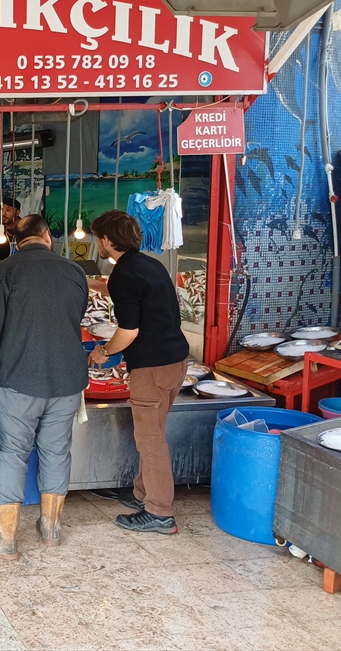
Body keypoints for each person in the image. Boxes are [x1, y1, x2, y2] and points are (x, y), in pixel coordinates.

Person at [0, 214, 89, 560]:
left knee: (12, 454)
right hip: (67, 381)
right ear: (47, 236)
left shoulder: (4, 272)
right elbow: (76, 316)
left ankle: (5, 539)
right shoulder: (75, 271)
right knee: (56, 451)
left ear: (16, 241)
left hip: (20, 378)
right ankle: (51, 529)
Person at [86, 211, 190, 535]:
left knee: (149, 439)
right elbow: (131, 294)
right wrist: (88, 284)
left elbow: (128, 331)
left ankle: (160, 512)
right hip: (175, 361)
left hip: (152, 367)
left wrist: (104, 351)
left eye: (97, 238)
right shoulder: (149, 265)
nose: (97, 243)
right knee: (153, 433)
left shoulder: (124, 274)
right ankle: (142, 493)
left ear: (106, 240)